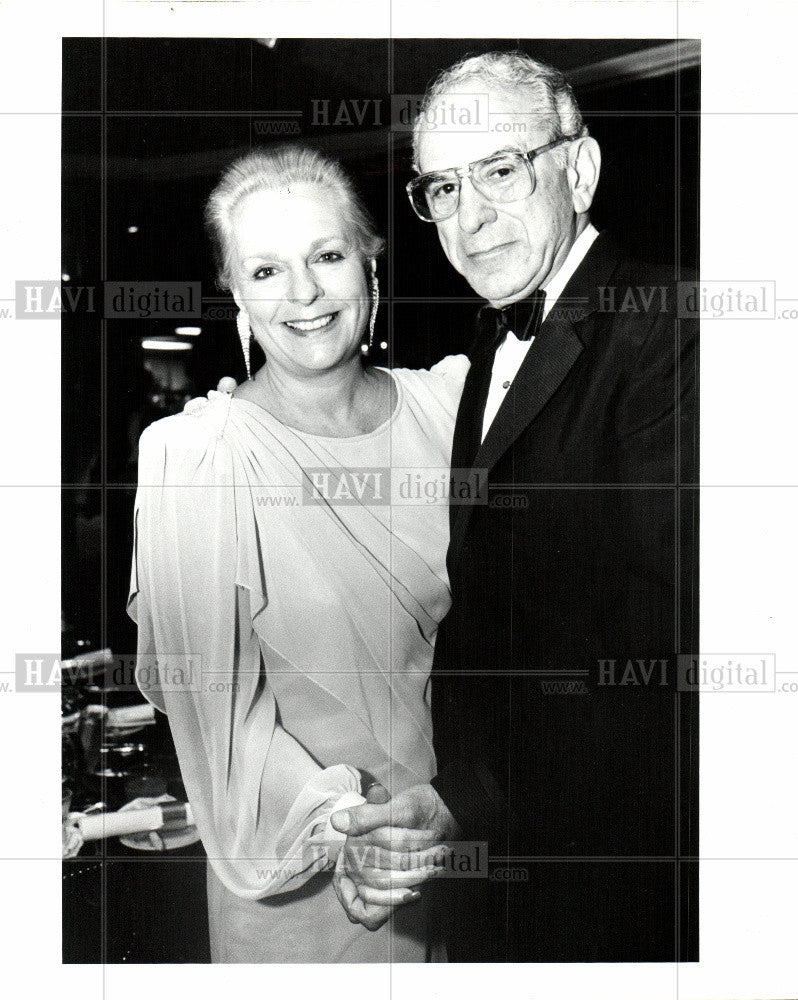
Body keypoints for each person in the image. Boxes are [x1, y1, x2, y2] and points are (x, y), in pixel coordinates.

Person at [332, 50, 699, 962]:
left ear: (579, 168)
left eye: (500, 170)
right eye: (443, 188)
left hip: (624, 876)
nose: (472, 216)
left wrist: (471, 798)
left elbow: (661, 657)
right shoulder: (489, 339)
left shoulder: (672, 326)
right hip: (508, 860)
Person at [127, 144, 469, 962]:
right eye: (267, 270)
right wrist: (342, 829)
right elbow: (217, 719)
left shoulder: (456, 407)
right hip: (300, 874)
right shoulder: (194, 456)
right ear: (237, 297)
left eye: (326, 255)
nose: (305, 292)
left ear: (371, 267)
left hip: (453, 844)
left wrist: (457, 808)